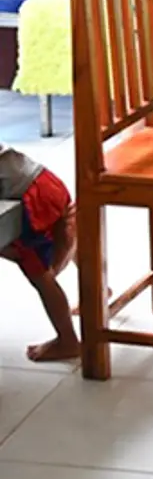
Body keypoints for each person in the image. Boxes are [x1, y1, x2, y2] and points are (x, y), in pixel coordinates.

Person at [1, 142, 77, 362]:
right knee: (66, 229)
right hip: (46, 180)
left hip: (33, 200)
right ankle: (99, 291)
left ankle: (68, 340)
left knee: (37, 271)